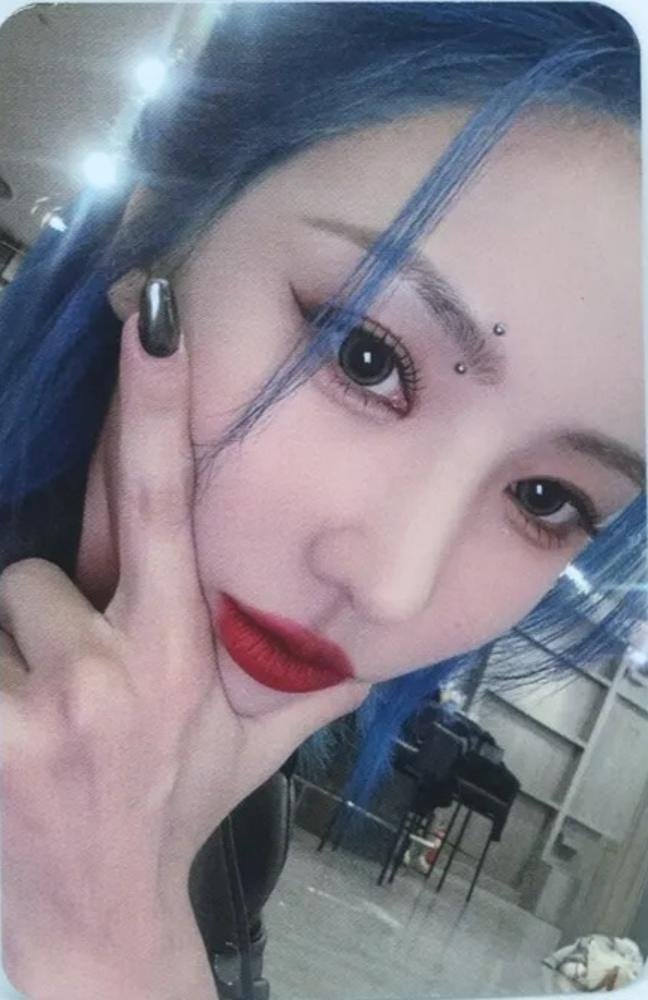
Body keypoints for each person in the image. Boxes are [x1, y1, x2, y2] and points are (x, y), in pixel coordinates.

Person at [0, 3, 644, 998]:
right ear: (156, 233)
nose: (392, 587)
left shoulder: (240, 810)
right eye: (365, 355)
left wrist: (121, 943)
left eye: (546, 497)